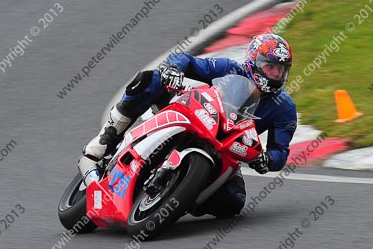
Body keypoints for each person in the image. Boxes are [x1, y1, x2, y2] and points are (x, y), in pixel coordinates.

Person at [78, 33, 297, 218]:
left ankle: (179, 198)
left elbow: (281, 151)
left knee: (234, 202)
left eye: (282, 69)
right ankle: (108, 138)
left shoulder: (284, 107)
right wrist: (174, 69)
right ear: (253, 62)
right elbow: (189, 62)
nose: (277, 74)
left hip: (227, 148)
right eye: (271, 67)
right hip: (197, 116)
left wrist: (266, 160)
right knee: (150, 80)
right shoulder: (231, 69)